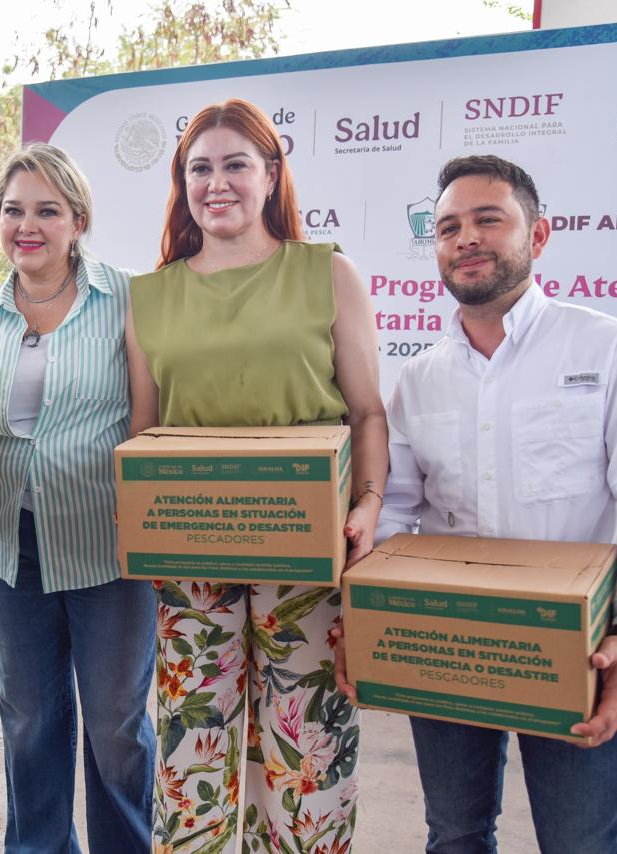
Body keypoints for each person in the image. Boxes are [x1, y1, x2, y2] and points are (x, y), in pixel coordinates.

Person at [333, 154, 617, 854]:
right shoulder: (420, 379)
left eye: (488, 220)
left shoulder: (610, 350)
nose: (466, 238)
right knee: (454, 834)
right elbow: (396, 512)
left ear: (537, 235)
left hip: (574, 648)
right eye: (448, 228)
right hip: (440, 638)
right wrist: (363, 617)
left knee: (582, 841)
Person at [127, 99, 387, 853]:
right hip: (190, 557)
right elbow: (143, 435)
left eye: (235, 164)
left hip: (306, 550)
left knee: (308, 751)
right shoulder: (149, 297)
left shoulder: (328, 274)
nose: (217, 183)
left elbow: (368, 413)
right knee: (192, 748)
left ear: (272, 174)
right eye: (199, 168)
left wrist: (369, 505)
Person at [0, 143, 156, 853]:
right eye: (14, 210)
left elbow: (149, 418)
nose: (27, 226)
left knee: (116, 727)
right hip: (15, 548)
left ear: (78, 222)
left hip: (108, 544)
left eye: (47, 211)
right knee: (30, 719)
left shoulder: (126, 300)